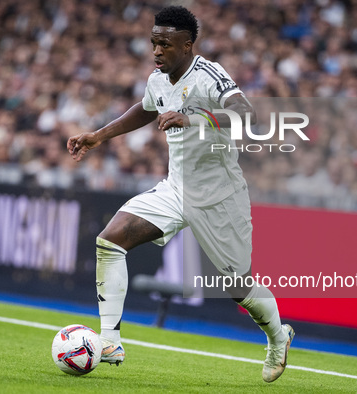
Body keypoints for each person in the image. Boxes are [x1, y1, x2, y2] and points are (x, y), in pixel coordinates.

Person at [67, 6, 294, 383]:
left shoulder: (209, 75)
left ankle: (277, 337)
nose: (157, 51)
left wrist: (194, 118)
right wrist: (99, 136)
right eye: (154, 42)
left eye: (166, 44)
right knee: (110, 240)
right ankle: (108, 340)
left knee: (238, 287)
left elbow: (247, 114)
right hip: (176, 188)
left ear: (188, 45)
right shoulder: (158, 79)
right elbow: (144, 109)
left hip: (220, 196)